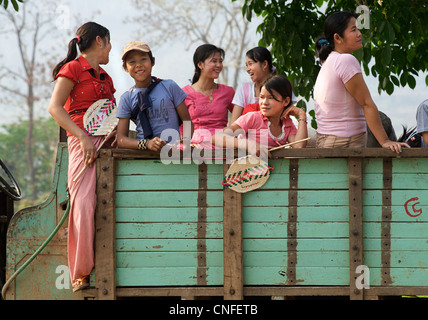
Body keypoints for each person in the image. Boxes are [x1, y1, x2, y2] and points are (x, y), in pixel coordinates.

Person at [48, 22, 116, 292]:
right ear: (99, 41)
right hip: (82, 142)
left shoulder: (106, 77)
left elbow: (112, 114)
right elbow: (55, 108)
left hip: (109, 141)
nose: (111, 48)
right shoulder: (73, 69)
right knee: (85, 202)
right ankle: (80, 273)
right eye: (109, 42)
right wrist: (83, 137)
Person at [313, 11, 409, 152]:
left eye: (358, 29)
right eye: (353, 30)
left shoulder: (329, 61)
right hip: (344, 143)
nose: (359, 34)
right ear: (338, 38)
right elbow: (366, 103)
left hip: (328, 141)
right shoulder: (345, 60)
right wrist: (385, 141)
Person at [116, 41, 193, 151]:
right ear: (125, 68)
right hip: (143, 156)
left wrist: (185, 143)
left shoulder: (169, 86)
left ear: (153, 61)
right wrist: (146, 144)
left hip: (173, 152)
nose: (138, 65)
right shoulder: (126, 98)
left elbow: (187, 121)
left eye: (143, 59)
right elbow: (121, 139)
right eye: (132, 62)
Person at [212, 75, 307, 157]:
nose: (264, 103)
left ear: (286, 101)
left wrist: (302, 115)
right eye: (261, 97)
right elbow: (217, 137)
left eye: (271, 98)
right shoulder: (253, 118)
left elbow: (299, 145)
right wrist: (249, 145)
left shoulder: (287, 124)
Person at [181, 44, 235, 147]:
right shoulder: (184, 94)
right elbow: (180, 125)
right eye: (214, 61)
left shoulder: (228, 92)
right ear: (200, 65)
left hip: (222, 146)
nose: (218, 65)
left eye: (220, 61)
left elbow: (241, 119)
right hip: (194, 148)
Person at [229, 46, 297, 124]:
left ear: (264, 64)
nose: (247, 69)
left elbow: (286, 119)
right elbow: (234, 123)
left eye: (250, 64)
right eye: (246, 65)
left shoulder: (282, 85)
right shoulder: (243, 89)